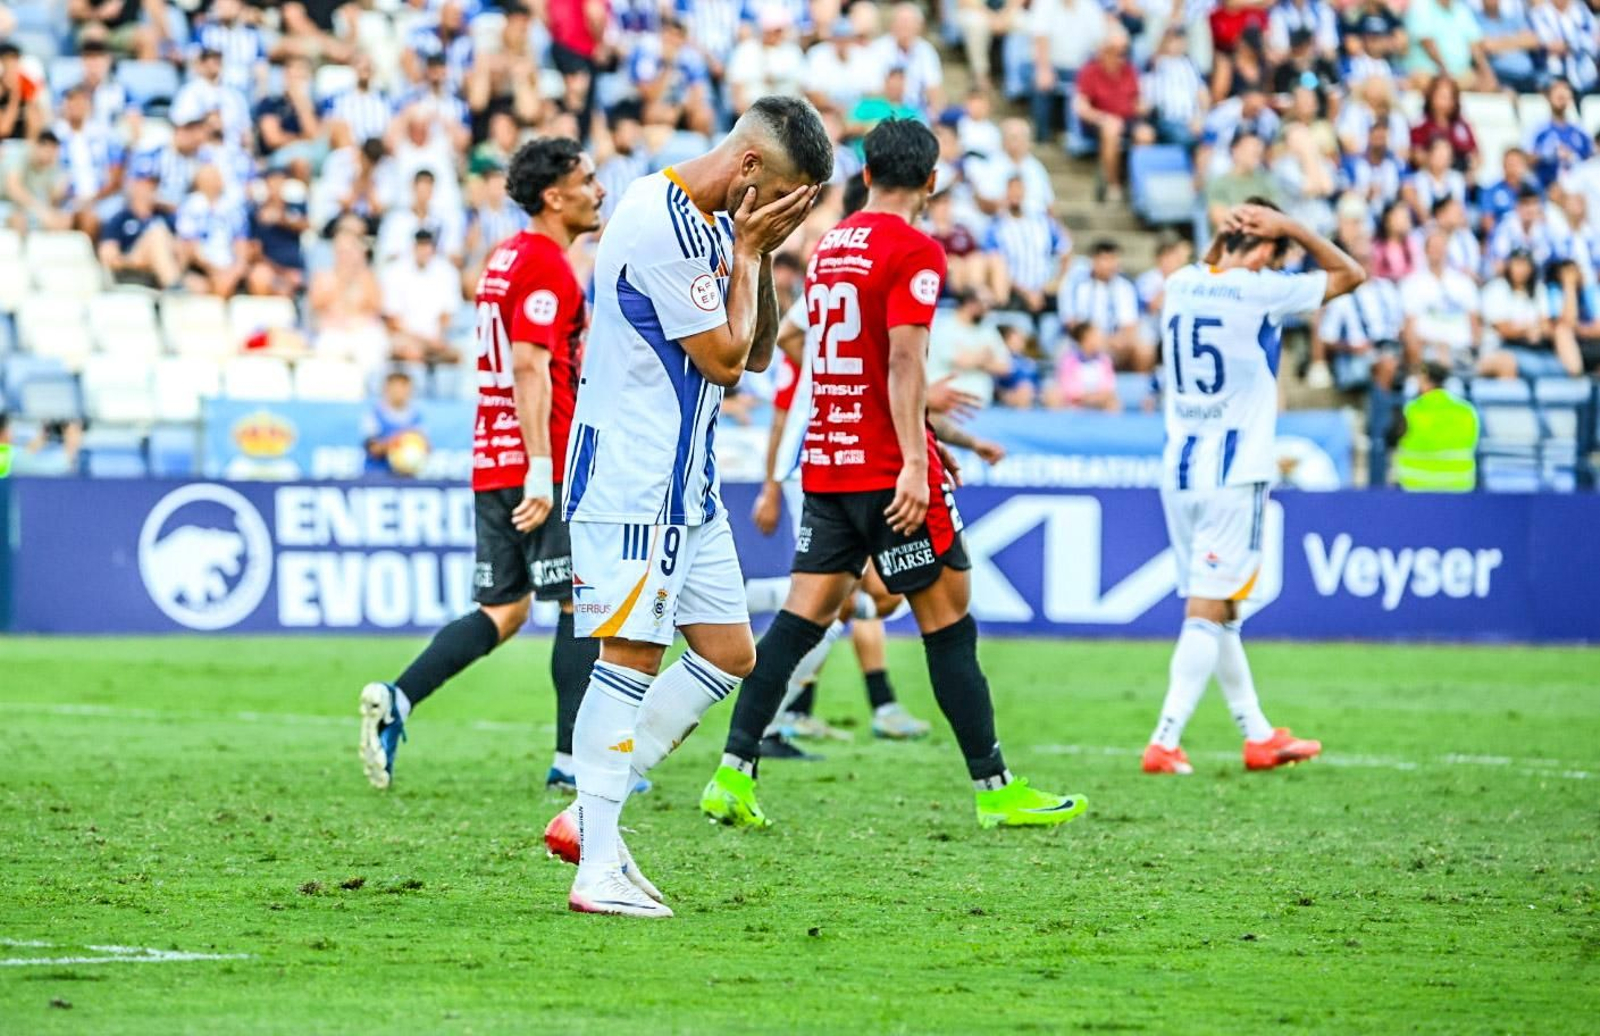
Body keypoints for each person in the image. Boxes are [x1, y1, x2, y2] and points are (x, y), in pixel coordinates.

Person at [702, 117, 1086, 840]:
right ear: (932, 182)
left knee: (797, 621)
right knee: (950, 623)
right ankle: (996, 788)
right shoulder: (915, 249)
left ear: (867, 174)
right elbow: (904, 363)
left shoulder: (831, 245)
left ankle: (733, 771)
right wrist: (918, 458)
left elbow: (839, 354)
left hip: (829, 461)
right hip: (884, 470)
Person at [538, 96, 833, 919]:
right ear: (749, 170)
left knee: (730, 652)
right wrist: (747, 252)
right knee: (628, 658)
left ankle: (591, 815)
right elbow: (725, 361)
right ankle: (595, 865)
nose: (782, 214)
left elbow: (762, 348)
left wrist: (760, 257)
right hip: (634, 478)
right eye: (782, 195)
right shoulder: (659, 219)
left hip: (687, 485)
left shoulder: (717, 229)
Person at [359, 137, 609, 793]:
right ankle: (571, 762)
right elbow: (530, 365)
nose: (599, 189)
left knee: (505, 610)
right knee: (578, 605)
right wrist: (541, 465)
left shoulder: (502, 258)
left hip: (492, 456)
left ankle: (400, 696)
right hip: (539, 459)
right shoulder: (547, 266)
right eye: (588, 179)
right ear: (554, 196)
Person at [1142, 199, 1364, 777]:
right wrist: (1291, 227)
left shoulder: (1182, 282)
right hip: (1234, 472)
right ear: (1266, 250)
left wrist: (1223, 235)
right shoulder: (1262, 290)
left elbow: (1211, 264)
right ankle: (1165, 739)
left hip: (1181, 470)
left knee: (1224, 610)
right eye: (1276, 251)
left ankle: (1257, 735)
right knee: (1206, 608)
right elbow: (1351, 274)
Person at [1388, 360, 1479, 491]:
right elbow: (1473, 444)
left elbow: (1392, 440)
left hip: (1416, 490)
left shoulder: (1410, 411)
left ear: (1425, 380)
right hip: (1459, 488)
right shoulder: (1467, 411)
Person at [361, 369, 426, 476]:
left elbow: (425, 448)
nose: (400, 392)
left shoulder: (417, 417)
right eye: (396, 388)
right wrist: (398, 442)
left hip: (407, 478)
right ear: (386, 389)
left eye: (404, 387)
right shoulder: (374, 415)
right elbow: (374, 449)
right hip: (377, 477)